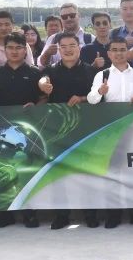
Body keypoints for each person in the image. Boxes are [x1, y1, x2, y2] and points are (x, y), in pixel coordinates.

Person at [86, 36, 133, 228]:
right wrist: (100, 92)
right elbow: (91, 99)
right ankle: (113, 215)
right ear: (109, 53)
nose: (119, 53)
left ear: (127, 52)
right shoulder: (102, 75)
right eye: (114, 50)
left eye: (122, 49)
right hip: (111, 130)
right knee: (112, 172)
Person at [0, 32, 45, 228]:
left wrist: (36, 106)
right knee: (2, 171)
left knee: (27, 170)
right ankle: (5, 214)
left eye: (19, 47)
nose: (14, 51)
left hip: (27, 132)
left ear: (25, 50)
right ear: (5, 50)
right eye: (10, 47)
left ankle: (30, 213)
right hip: (1, 131)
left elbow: (44, 98)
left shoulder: (35, 73)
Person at [39, 32, 97, 230]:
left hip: (86, 129)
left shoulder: (91, 71)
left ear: (79, 47)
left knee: (87, 172)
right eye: (63, 46)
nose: (68, 50)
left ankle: (90, 213)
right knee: (59, 174)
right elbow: (42, 80)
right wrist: (43, 85)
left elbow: (99, 97)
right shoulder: (51, 71)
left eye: (72, 45)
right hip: (59, 130)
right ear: (58, 50)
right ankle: (62, 215)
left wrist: (82, 98)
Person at [39, 2, 91, 67]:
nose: (68, 19)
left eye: (72, 15)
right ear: (61, 19)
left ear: (78, 15)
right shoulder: (53, 39)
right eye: (64, 17)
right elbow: (41, 65)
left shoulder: (90, 39)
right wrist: (47, 54)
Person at [79, 12, 114, 78]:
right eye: (98, 24)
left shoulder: (118, 47)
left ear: (110, 25)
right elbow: (81, 74)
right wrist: (93, 66)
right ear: (93, 27)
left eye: (105, 23)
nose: (102, 26)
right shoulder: (86, 49)